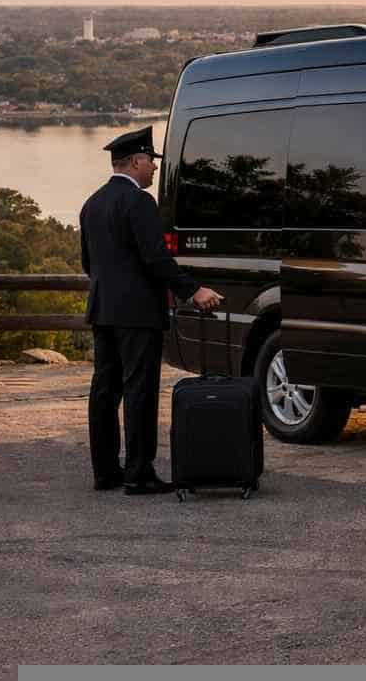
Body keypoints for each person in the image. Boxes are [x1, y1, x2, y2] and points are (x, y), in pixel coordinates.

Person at [81, 125, 223, 495]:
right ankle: (139, 473)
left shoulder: (91, 203)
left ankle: (106, 472)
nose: (155, 168)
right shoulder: (140, 203)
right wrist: (194, 290)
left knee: (104, 391)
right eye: (151, 162)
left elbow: (88, 263)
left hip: (102, 309)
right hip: (138, 313)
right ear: (136, 162)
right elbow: (155, 259)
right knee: (139, 391)